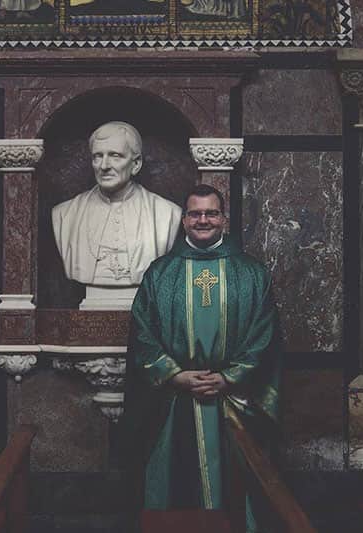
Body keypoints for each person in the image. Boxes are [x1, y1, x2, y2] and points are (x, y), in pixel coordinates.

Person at [122, 184, 282, 530]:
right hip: (173, 401)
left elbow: (264, 336)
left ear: (223, 218)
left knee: (236, 491)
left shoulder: (251, 273)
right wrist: (175, 375)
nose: (203, 220)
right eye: (195, 213)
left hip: (233, 400)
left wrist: (229, 377)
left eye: (211, 213)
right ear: (184, 220)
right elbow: (141, 333)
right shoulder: (161, 273)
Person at [51, 121, 182, 287]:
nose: (104, 166)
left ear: (136, 164)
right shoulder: (65, 214)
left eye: (115, 156)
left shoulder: (166, 213)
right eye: (98, 156)